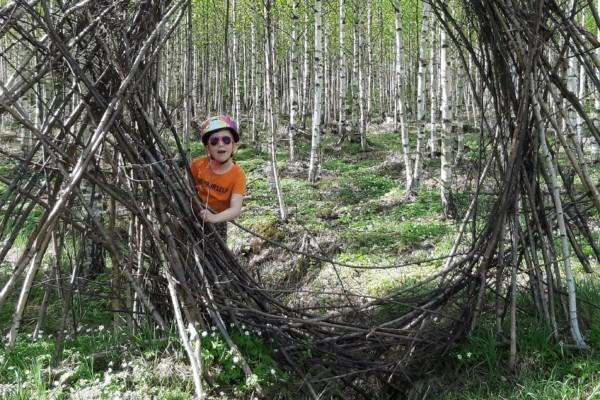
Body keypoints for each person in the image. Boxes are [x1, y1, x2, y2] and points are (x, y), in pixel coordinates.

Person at [190, 115, 246, 242]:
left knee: (213, 257)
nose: (220, 144)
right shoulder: (197, 166)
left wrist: (214, 218)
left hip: (218, 222)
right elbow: (188, 188)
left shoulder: (238, 174)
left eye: (226, 140)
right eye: (214, 141)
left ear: (234, 146)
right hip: (192, 218)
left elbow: (235, 209)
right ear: (207, 148)